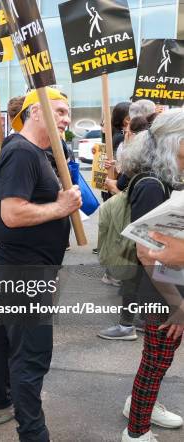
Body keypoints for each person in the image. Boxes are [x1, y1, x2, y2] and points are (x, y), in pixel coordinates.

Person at [0, 87, 81, 442]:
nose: (66, 119)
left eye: (67, 112)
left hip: (27, 269)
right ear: (35, 112)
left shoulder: (36, 153)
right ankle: (34, 433)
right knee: (32, 356)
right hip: (25, 272)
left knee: (8, 340)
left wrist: (57, 202)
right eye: (58, 111)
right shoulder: (22, 153)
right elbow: (11, 213)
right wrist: (60, 208)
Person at [119, 109, 184, 442]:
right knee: (156, 361)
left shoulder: (168, 180)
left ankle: (143, 407)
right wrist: (177, 306)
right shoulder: (151, 185)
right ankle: (137, 431)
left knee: (158, 360)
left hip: (171, 287)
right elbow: (148, 253)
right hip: (161, 291)